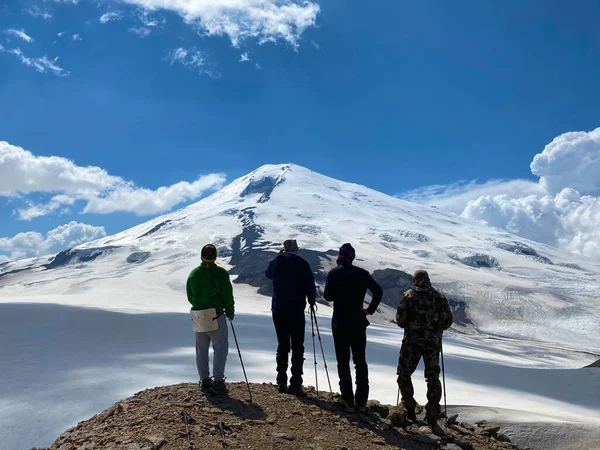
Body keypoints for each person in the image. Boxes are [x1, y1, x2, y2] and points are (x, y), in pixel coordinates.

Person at [324, 243, 383, 413]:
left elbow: (328, 296)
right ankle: (362, 401)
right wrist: (369, 310)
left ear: (340, 256)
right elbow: (378, 292)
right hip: (358, 321)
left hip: (340, 321)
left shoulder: (334, 273)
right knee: (360, 361)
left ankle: (348, 401)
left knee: (343, 361)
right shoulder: (362, 274)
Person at [396, 270, 453, 425]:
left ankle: (409, 407)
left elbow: (400, 321)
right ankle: (433, 413)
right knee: (433, 376)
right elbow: (448, 320)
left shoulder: (408, 296)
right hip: (432, 343)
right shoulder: (439, 298)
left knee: (404, 373)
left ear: (415, 280)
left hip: (412, 342)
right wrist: (436, 328)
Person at [266, 239, 316, 396]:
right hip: (296, 309)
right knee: (297, 346)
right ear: (296, 249)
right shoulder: (303, 263)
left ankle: (281, 381)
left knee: (282, 345)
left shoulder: (277, 261)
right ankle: (295, 383)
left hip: (279, 309)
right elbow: (310, 284)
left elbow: (268, 274)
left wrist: (277, 257)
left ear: (284, 249)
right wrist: (312, 301)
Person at [186, 244, 235, 395]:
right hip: (216, 315)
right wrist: (230, 312)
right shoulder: (220, 273)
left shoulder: (193, 274)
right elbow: (227, 295)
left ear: (201, 256)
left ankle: (205, 380)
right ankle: (218, 382)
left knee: (201, 349)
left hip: (198, 314)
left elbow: (190, 296)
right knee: (220, 348)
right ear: (215, 257)